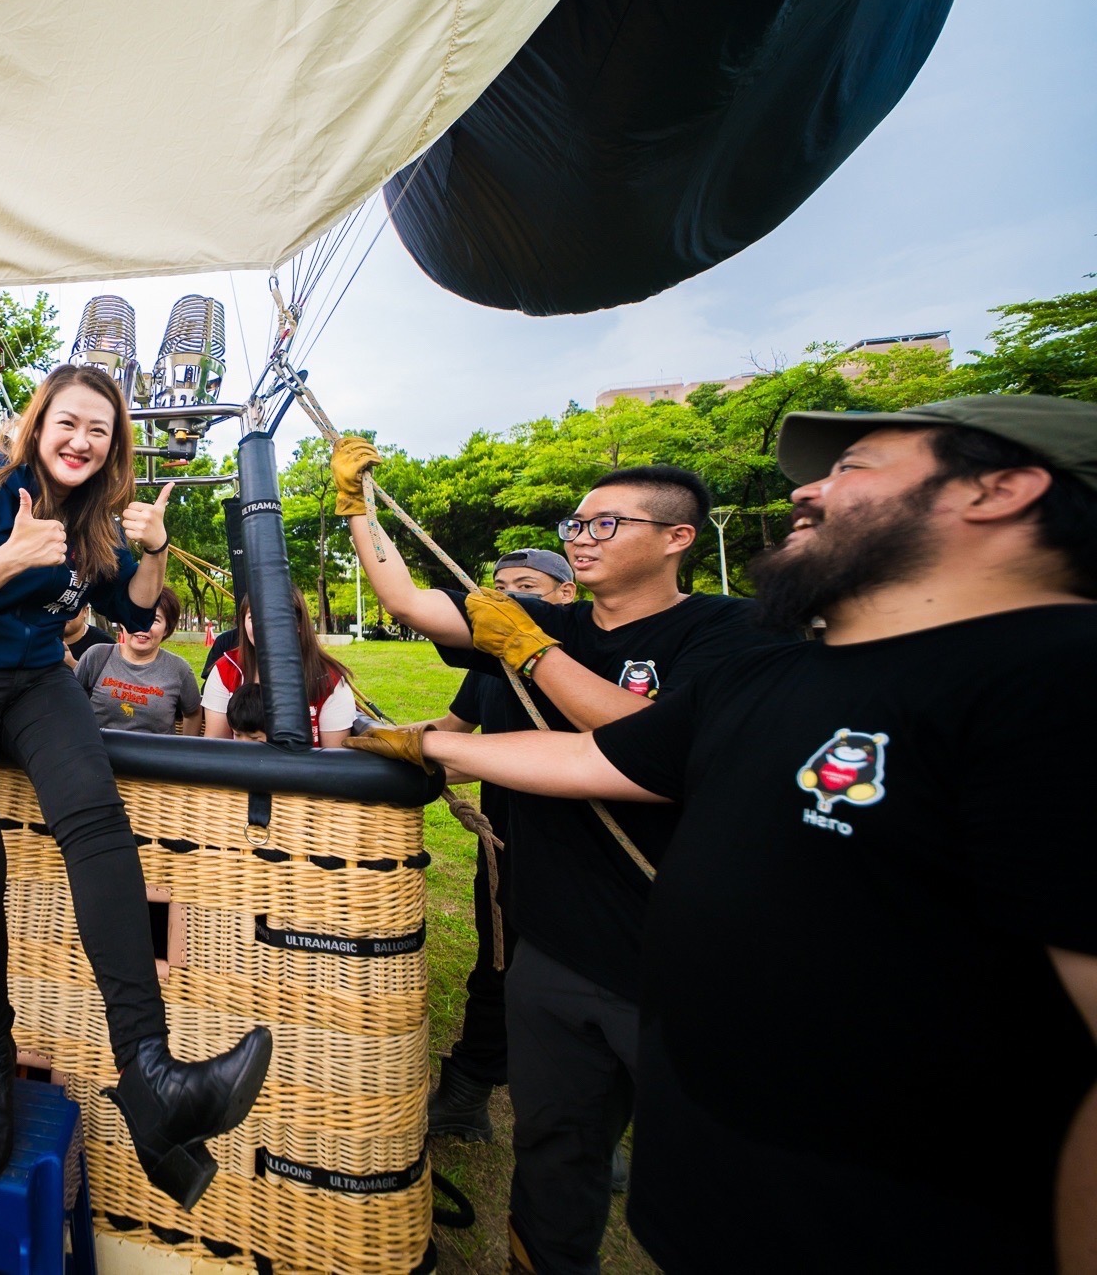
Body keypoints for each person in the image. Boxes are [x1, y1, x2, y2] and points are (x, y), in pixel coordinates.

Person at [353, 396, 1097, 1275]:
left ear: (1000, 488)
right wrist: (427, 741)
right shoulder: (782, 668)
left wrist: (524, 656)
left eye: (853, 467)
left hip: (892, 1226)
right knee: (560, 1146)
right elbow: (607, 758)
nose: (805, 492)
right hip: (718, 1185)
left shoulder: (1057, 679)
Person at [333, 441, 783, 1275]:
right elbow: (403, 594)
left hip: (685, 960)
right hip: (553, 945)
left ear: (678, 538)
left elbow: (649, 747)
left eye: (607, 522)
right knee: (553, 1150)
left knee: (723, 1182)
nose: (582, 536)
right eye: (577, 521)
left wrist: (532, 654)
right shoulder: (550, 618)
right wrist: (358, 508)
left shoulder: (730, 631)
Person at [0, 363, 272, 1209]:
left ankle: (150, 1072)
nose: (81, 440)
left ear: (114, 447)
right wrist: (8, 559)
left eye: (98, 430)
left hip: (36, 680)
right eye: (68, 422)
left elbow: (136, 615)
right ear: (38, 424)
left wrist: (154, 551)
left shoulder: (94, 519)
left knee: (100, 828)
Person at [423, 549, 577, 1144]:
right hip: (509, 840)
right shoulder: (488, 665)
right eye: (501, 588)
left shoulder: (586, 660)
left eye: (528, 587)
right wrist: (363, 746)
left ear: (566, 595)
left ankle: (585, 1123)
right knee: (498, 966)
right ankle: (467, 1094)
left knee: (585, 983)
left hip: (588, 849)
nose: (510, 598)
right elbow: (453, 738)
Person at [202, 587, 356, 747]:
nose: (263, 626)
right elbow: (215, 748)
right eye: (253, 617)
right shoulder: (226, 670)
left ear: (298, 624)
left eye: (276, 618)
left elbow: (333, 762)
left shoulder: (329, 681)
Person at [74, 586, 203, 734]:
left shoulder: (180, 670)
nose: (143, 626)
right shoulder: (96, 655)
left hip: (155, 756)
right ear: (122, 621)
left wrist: (182, 752)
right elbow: (69, 701)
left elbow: (193, 713)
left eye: (154, 620)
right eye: (137, 616)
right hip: (98, 754)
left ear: (166, 629)